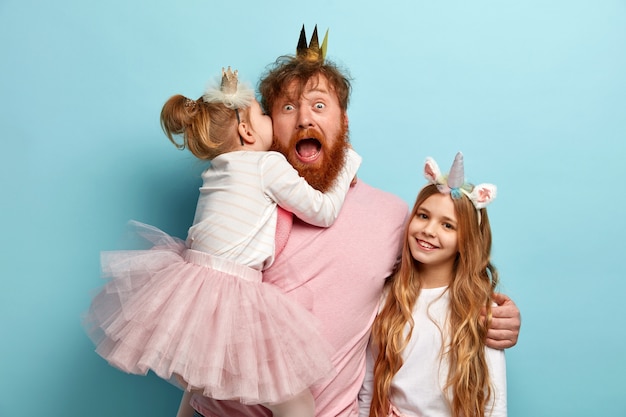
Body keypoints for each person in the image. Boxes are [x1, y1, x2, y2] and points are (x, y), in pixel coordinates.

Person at [185, 25, 521, 417]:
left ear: (344, 121)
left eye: (319, 105)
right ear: (267, 127)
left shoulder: (393, 216)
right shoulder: (248, 202)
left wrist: (496, 313)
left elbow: (431, 285)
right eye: (288, 108)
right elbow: (202, 297)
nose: (304, 119)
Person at [83, 66, 362, 417]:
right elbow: (321, 211)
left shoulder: (218, 167)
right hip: (233, 291)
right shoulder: (268, 164)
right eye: (263, 114)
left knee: (200, 385)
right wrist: (348, 164)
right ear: (246, 130)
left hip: (190, 288)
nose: (271, 123)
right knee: (299, 403)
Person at [358, 152, 507, 417]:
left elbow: (494, 403)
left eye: (447, 225)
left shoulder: (479, 309)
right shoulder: (387, 297)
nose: (429, 230)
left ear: (467, 241)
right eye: (423, 216)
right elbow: (368, 385)